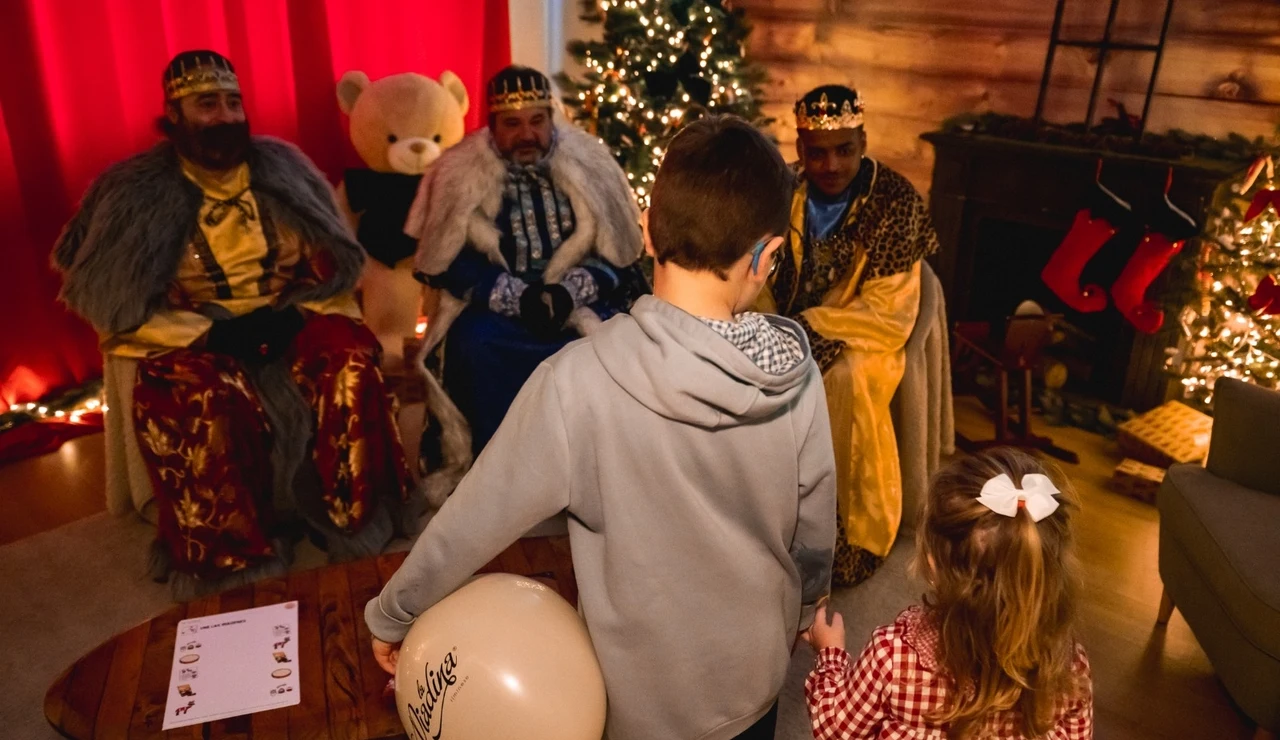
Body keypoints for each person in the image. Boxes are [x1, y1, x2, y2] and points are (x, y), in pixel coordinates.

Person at [367, 116, 836, 740]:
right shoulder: (796, 376)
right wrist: (806, 604)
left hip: (635, 703)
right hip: (752, 681)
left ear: (644, 229)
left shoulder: (576, 383)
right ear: (767, 255)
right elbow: (813, 528)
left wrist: (394, 612)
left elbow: (474, 518)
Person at [52, 50, 413, 593]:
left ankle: (353, 520)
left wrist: (294, 315)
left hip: (291, 313)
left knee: (348, 364)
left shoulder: (286, 171)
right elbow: (118, 308)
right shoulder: (135, 193)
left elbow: (332, 270)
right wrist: (212, 331)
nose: (223, 116)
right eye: (206, 104)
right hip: (192, 329)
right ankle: (232, 555)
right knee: (195, 398)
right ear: (174, 116)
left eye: (231, 102)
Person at [405, 65, 646, 468]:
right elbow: (448, 260)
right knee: (474, 345)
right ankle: (501, 475)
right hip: (497, 312)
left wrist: (570, 291)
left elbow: (619, 252)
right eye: (512, 124)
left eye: (537, 121)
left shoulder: (592, 164)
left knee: (613, 347)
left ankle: (594, 471)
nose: (526, 134)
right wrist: (515, 296)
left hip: (583, 305)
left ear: (551, 119)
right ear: (492, 125)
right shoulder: (458, 173)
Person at [757, 84, 941, 586]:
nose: (831, 165)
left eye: (844, 150)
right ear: (800, 149)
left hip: (867, 338)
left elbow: (891, 315)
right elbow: (760, 272)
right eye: (817, 152)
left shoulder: (895, 200)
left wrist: (812, 329)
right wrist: (763, 326)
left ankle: (850, 535)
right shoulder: (784, 188)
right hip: (790, 323)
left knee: (844, 379)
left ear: (863, 140)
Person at [803, 448, 1093, 739]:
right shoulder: (1068, 668)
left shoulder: (893, 657)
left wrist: (830, 655)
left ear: (932, 562)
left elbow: (835, 729)